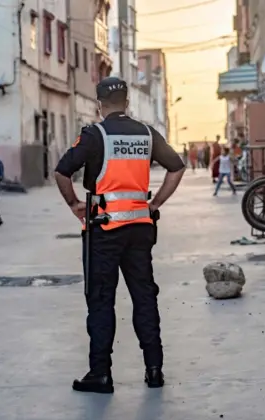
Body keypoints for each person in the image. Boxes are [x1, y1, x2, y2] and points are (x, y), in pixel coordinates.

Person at [54, 76, 186, 394]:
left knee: (101, 300)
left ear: (100, 106)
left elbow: (61, 171)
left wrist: (74, 204)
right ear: (127, 102)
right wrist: (154, 203)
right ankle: (154, 370)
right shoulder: (146, 133)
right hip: (141, 228)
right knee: (144, 297)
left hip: (104, 230)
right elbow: (177, 167)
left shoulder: (94, 135)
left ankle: (100, 374)